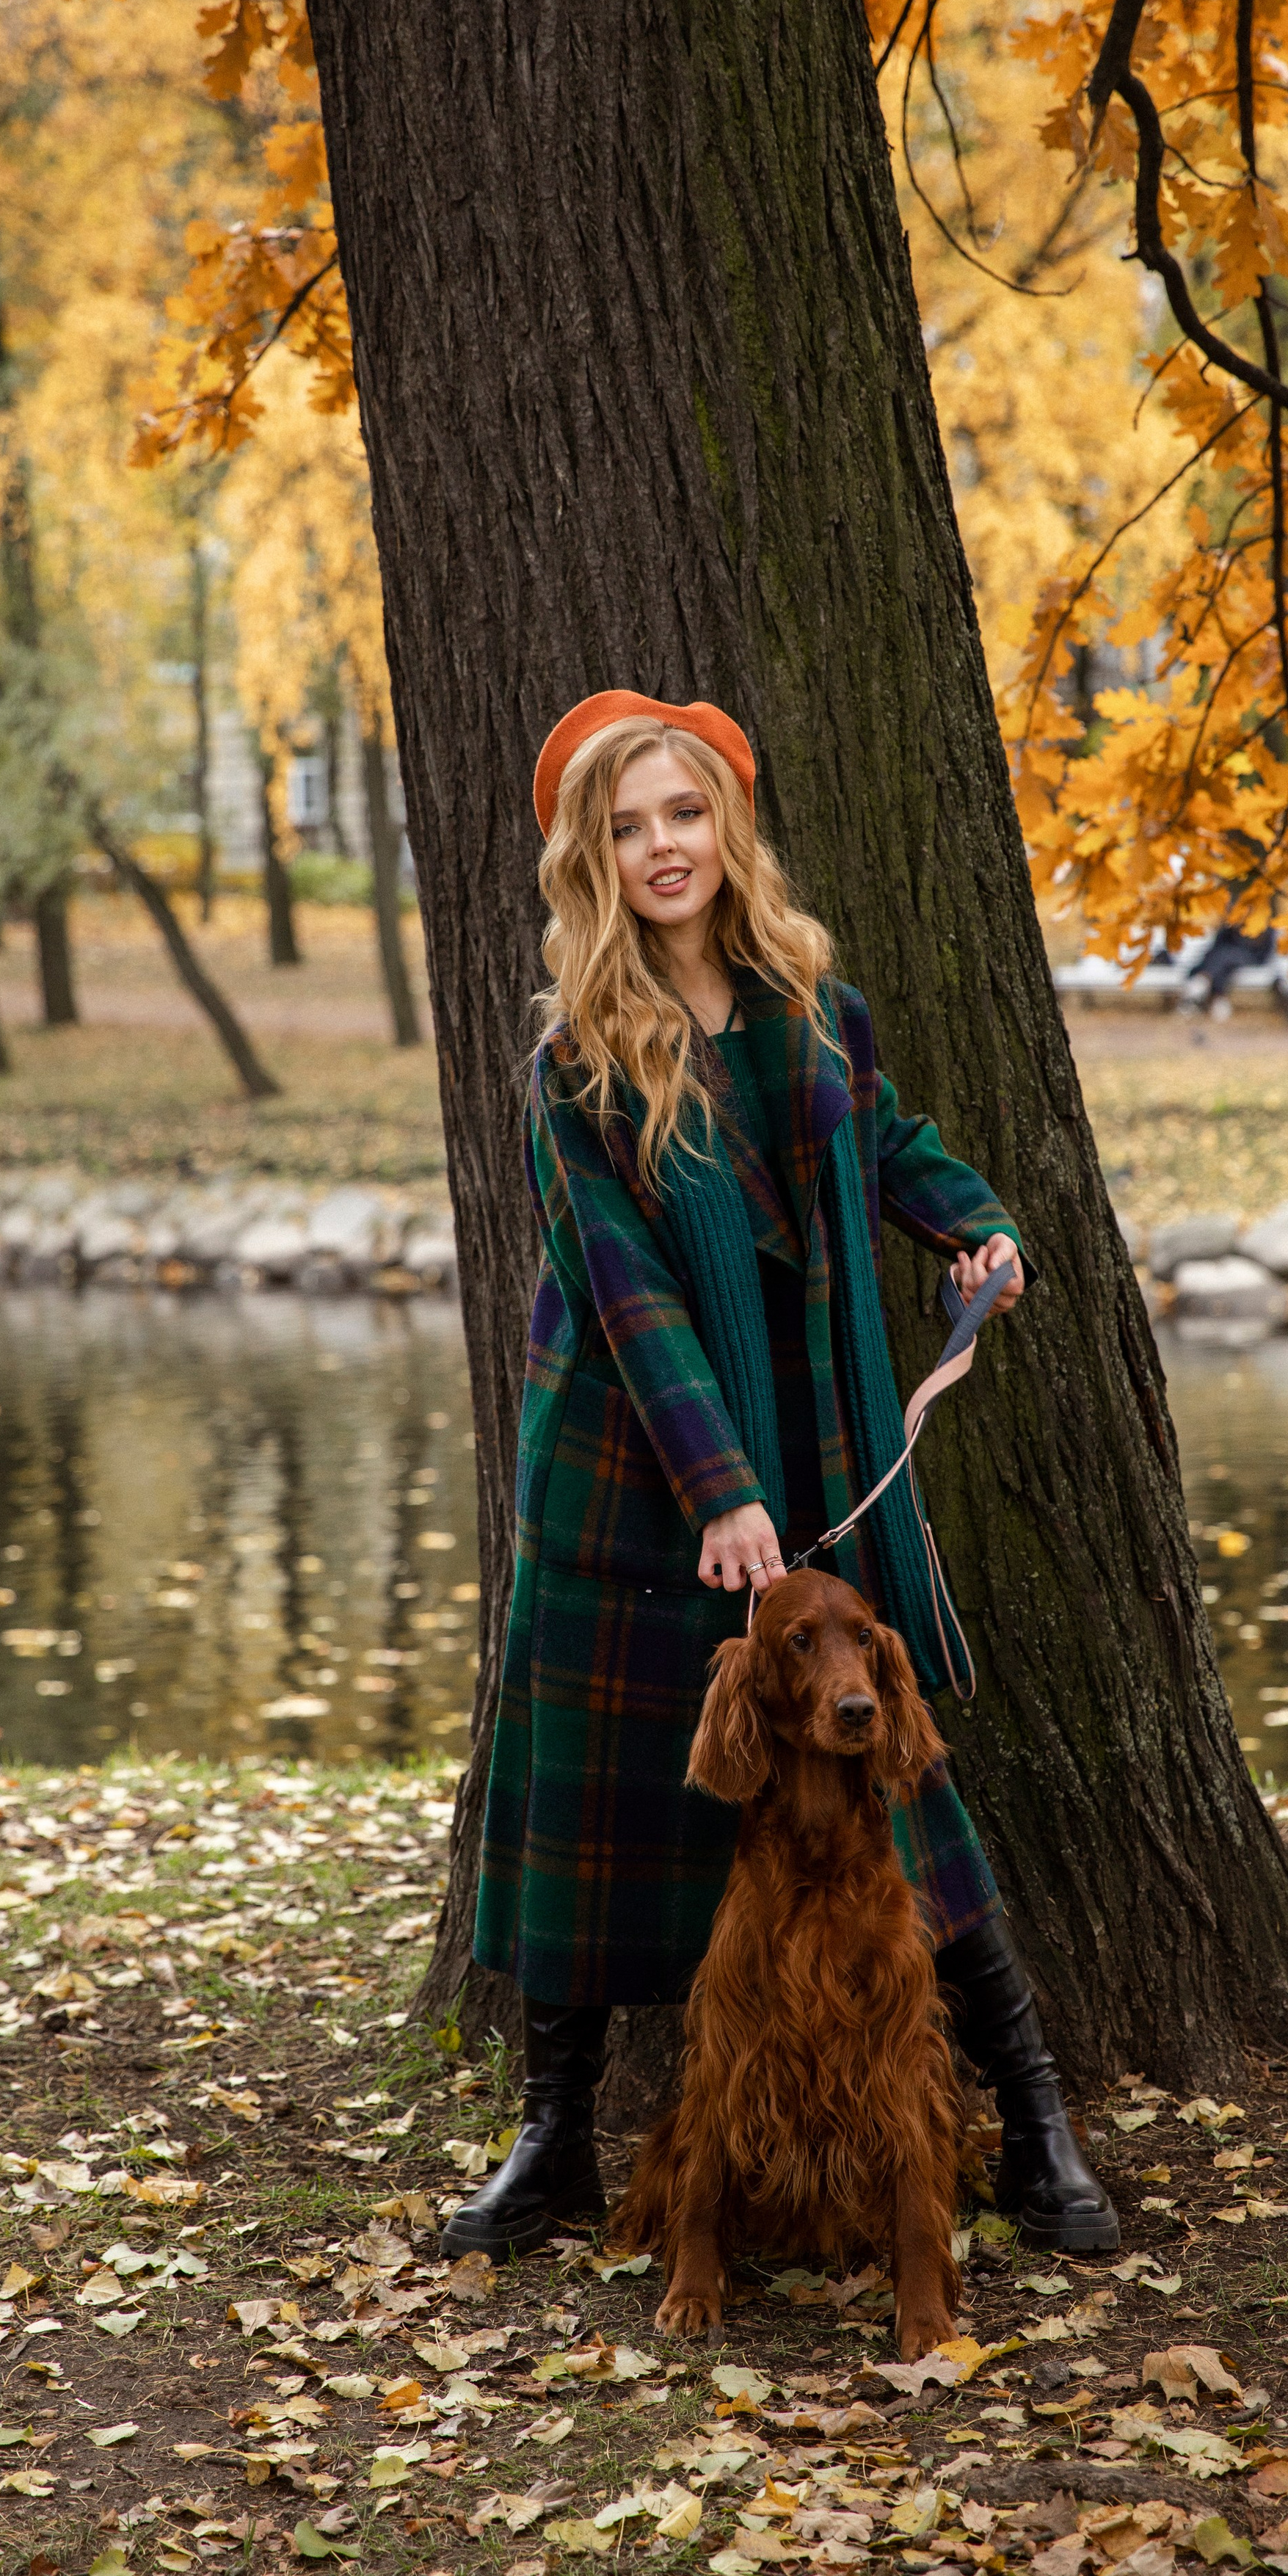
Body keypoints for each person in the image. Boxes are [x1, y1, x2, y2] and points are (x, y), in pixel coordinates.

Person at [445, 690, 1118, 2264]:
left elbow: (883, 1140)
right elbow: (623, 1288)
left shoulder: (813, 1004)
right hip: (629, 1473)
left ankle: (1031, 2119)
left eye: (681, 814)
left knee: (889, 1784)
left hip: (816, 1442)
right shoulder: (574, 1060)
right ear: (587, 862)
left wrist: (970, 1221)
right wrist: (716, 1488)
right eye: (624, 828)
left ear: (725, 825)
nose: (659, 847)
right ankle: (551, 2141)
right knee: (597, 1809)